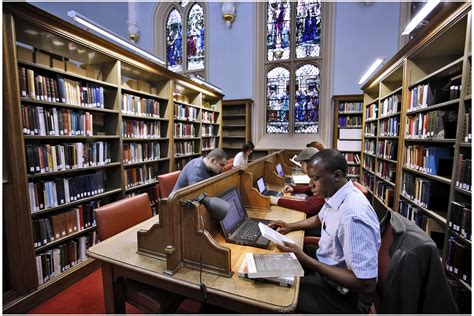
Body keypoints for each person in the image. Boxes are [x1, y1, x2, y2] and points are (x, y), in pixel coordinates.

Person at [269, 149, 381, 313]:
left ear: (336, 175)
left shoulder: (353, 215)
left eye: (315, 178)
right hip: (327, 267)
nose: (310, 185)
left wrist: (308, 261)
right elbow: (319, 218)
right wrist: (291, 226)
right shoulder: (336, 194)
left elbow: (366, 283)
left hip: (345, 296)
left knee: (277, 297)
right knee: (277, 261)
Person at [269, 147, 324, 216]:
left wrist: (277, 201)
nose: (301, 167)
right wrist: (294, 188)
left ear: (311, 164)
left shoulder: (324, 179)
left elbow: (310, 206)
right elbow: (311, 189)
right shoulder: (319, 176)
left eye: (302, 164)